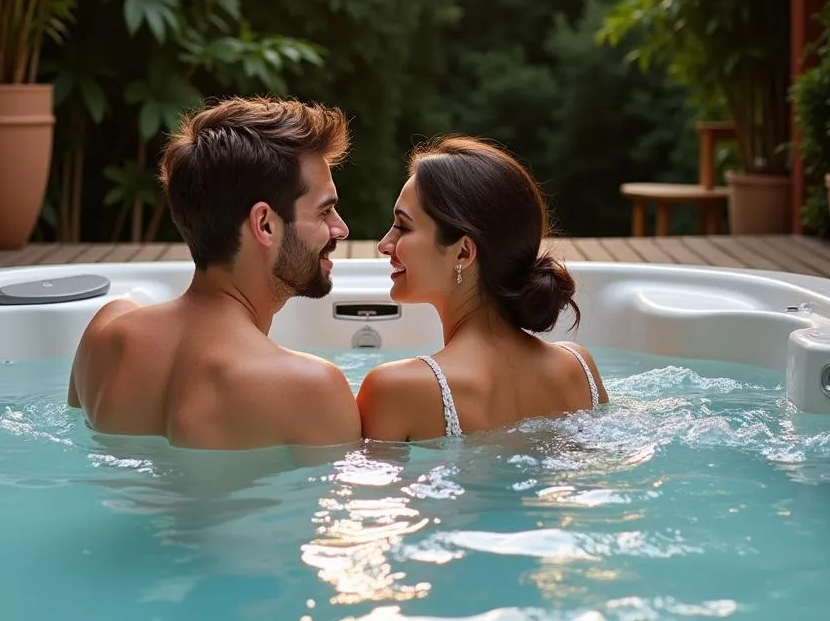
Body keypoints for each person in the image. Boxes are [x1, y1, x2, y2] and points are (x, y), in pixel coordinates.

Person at [68, 96, 361, 450]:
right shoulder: (309, 387)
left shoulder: (104, 336)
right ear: (265, 224)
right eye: (325, 211)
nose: (340, 228)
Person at [357, 136, 608, 441]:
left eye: (403, 227)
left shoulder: (395, 389)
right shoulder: (579, 369)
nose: (385, 245)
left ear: (463, 253)